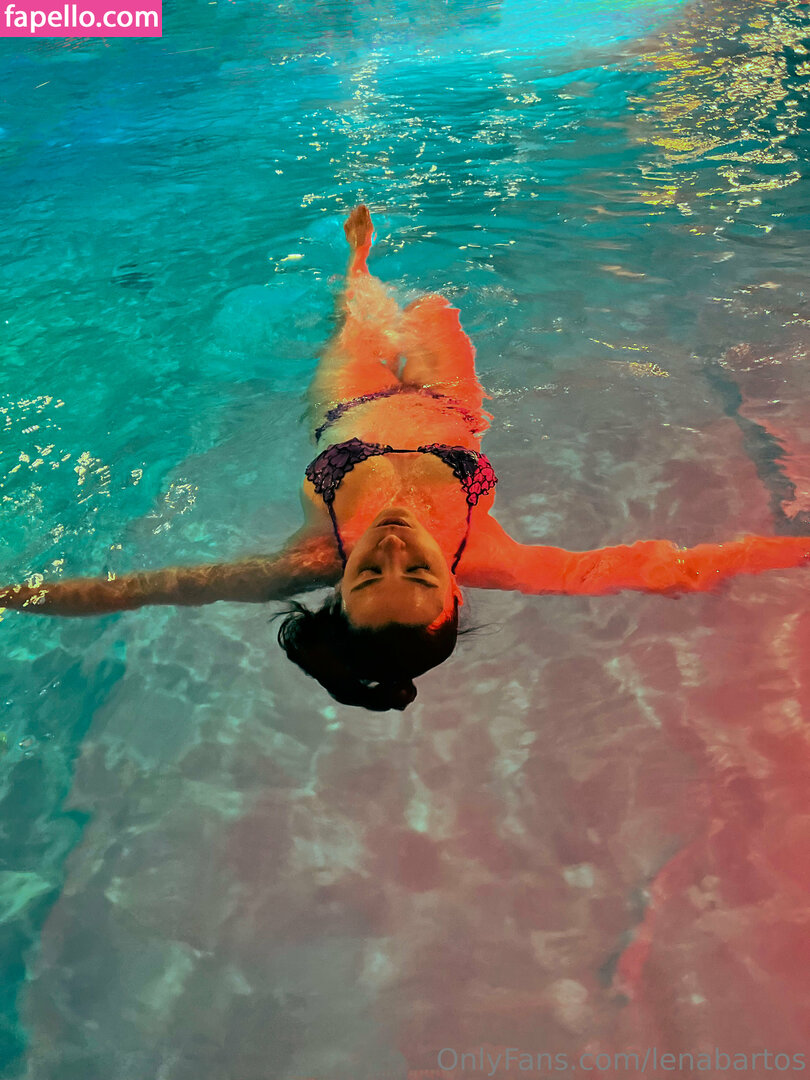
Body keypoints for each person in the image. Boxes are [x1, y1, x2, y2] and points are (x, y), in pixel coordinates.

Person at [2, 206, 810, 710]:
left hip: (349, 407)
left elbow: (143, 590)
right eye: (418, 572)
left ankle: (357, 261)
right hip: (453, 407)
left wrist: (9, 596)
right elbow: (671, 567)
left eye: (367, 575)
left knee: (359, 316)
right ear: (454, 590)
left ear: (337, 588)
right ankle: (372, 273)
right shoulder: (492, 558)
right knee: (433, 309)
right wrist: (795, 550)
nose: (391, 548)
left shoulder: (309, 556)